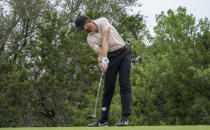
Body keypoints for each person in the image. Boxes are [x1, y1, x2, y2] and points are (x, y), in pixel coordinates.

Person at [74, 16, 132, 127]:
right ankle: (103, 120)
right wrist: (101, 60)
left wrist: (104, 58)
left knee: (124, 83)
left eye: (82, 27)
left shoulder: (102, 21)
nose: (82, 30)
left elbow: (105, 40)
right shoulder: (90, 39)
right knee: (108, 88)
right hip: (111, 57)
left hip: (123, 53)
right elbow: (99, 52)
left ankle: (125, 117)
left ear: (87, 22)